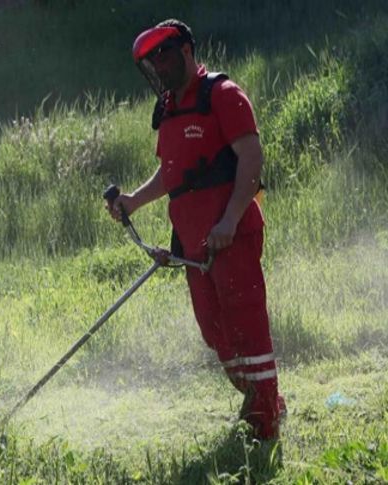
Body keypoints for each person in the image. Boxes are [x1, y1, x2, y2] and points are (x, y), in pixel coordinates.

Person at [106, 19, 284, 441]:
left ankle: (265, 426)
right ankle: (264, 401)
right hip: (192, 243)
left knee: (246, 324)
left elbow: (251, 159)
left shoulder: (222, 95)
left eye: (164, 58)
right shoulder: (168, 110)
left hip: (230, 235)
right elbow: (171, 174)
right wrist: (131, 201)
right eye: (152, 64)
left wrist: (230, 219)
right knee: (215, 330)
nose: (159, 69)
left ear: (186, 51)